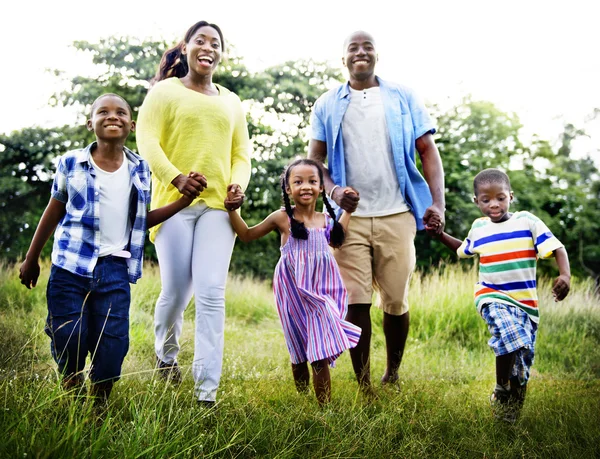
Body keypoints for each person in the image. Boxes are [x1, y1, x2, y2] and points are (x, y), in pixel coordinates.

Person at [19, 93, 195, 406]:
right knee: (70, 337)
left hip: (114, 269)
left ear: (132, 124)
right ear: (91, 124)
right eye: (103, 112)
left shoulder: (140, 168)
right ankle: (73, 397)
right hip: (69, 267)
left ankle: (98, 408)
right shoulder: (71, 163)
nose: (112, 116)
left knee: (112, 347)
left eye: (120, 112)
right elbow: (53, 209)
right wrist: (31, 259)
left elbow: (140, 220)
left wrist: (183, 201)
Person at [307, 30, 445, 394]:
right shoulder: (327, 104)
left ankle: (393, 373)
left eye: (367, 47)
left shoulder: (402, 97)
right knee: (356, 300)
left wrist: (437, 203)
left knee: (396, 300)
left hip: (397, 213)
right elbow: (314, 161)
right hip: (347, 220)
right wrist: (334, 190)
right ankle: (364, 384)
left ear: (376, 56)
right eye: (353, 48)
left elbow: (428, 150)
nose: (360, 52)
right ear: (344, 59)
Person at [136, 20, 252, 405]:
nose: (208, 47)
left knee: (211, 294)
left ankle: (206, 391)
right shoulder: (165, 92)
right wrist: (176, 177)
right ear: (185, 48)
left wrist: (238, 186)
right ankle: (166, 355)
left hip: (219, 208)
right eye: (200, 40)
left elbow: (241, 155)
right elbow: (147, 139)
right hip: (173, 205)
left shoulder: (231, 101)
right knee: (175, 291)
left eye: (215, 42)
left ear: (221, 53)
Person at [434, 168, 571, 422]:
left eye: (500, 197)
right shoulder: (479, 228)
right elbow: (462, 249)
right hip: (491, 295)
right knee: (508, 332)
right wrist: (439, 235)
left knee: (521, 367)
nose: (493, 204)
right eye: (485, 200)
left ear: (511, 196)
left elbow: (558, 247)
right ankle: (500, 385)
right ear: (477, 202)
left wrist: (565, 275)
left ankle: (509, 416)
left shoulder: (527, 221)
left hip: (526, 305)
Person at [225, 159, 361, 405]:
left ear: (321, 188)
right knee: (298, 350)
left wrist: (348, 211)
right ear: (288, 189)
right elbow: (246, 235)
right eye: (298, 182)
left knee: (318, 352)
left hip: (321, 292)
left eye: (312, 181)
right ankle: (302, 398)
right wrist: (232, 209)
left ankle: (325, 410)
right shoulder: (281, 218)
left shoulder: (325, 220)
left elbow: (337, 241)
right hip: (292, 291)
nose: (305, 186)